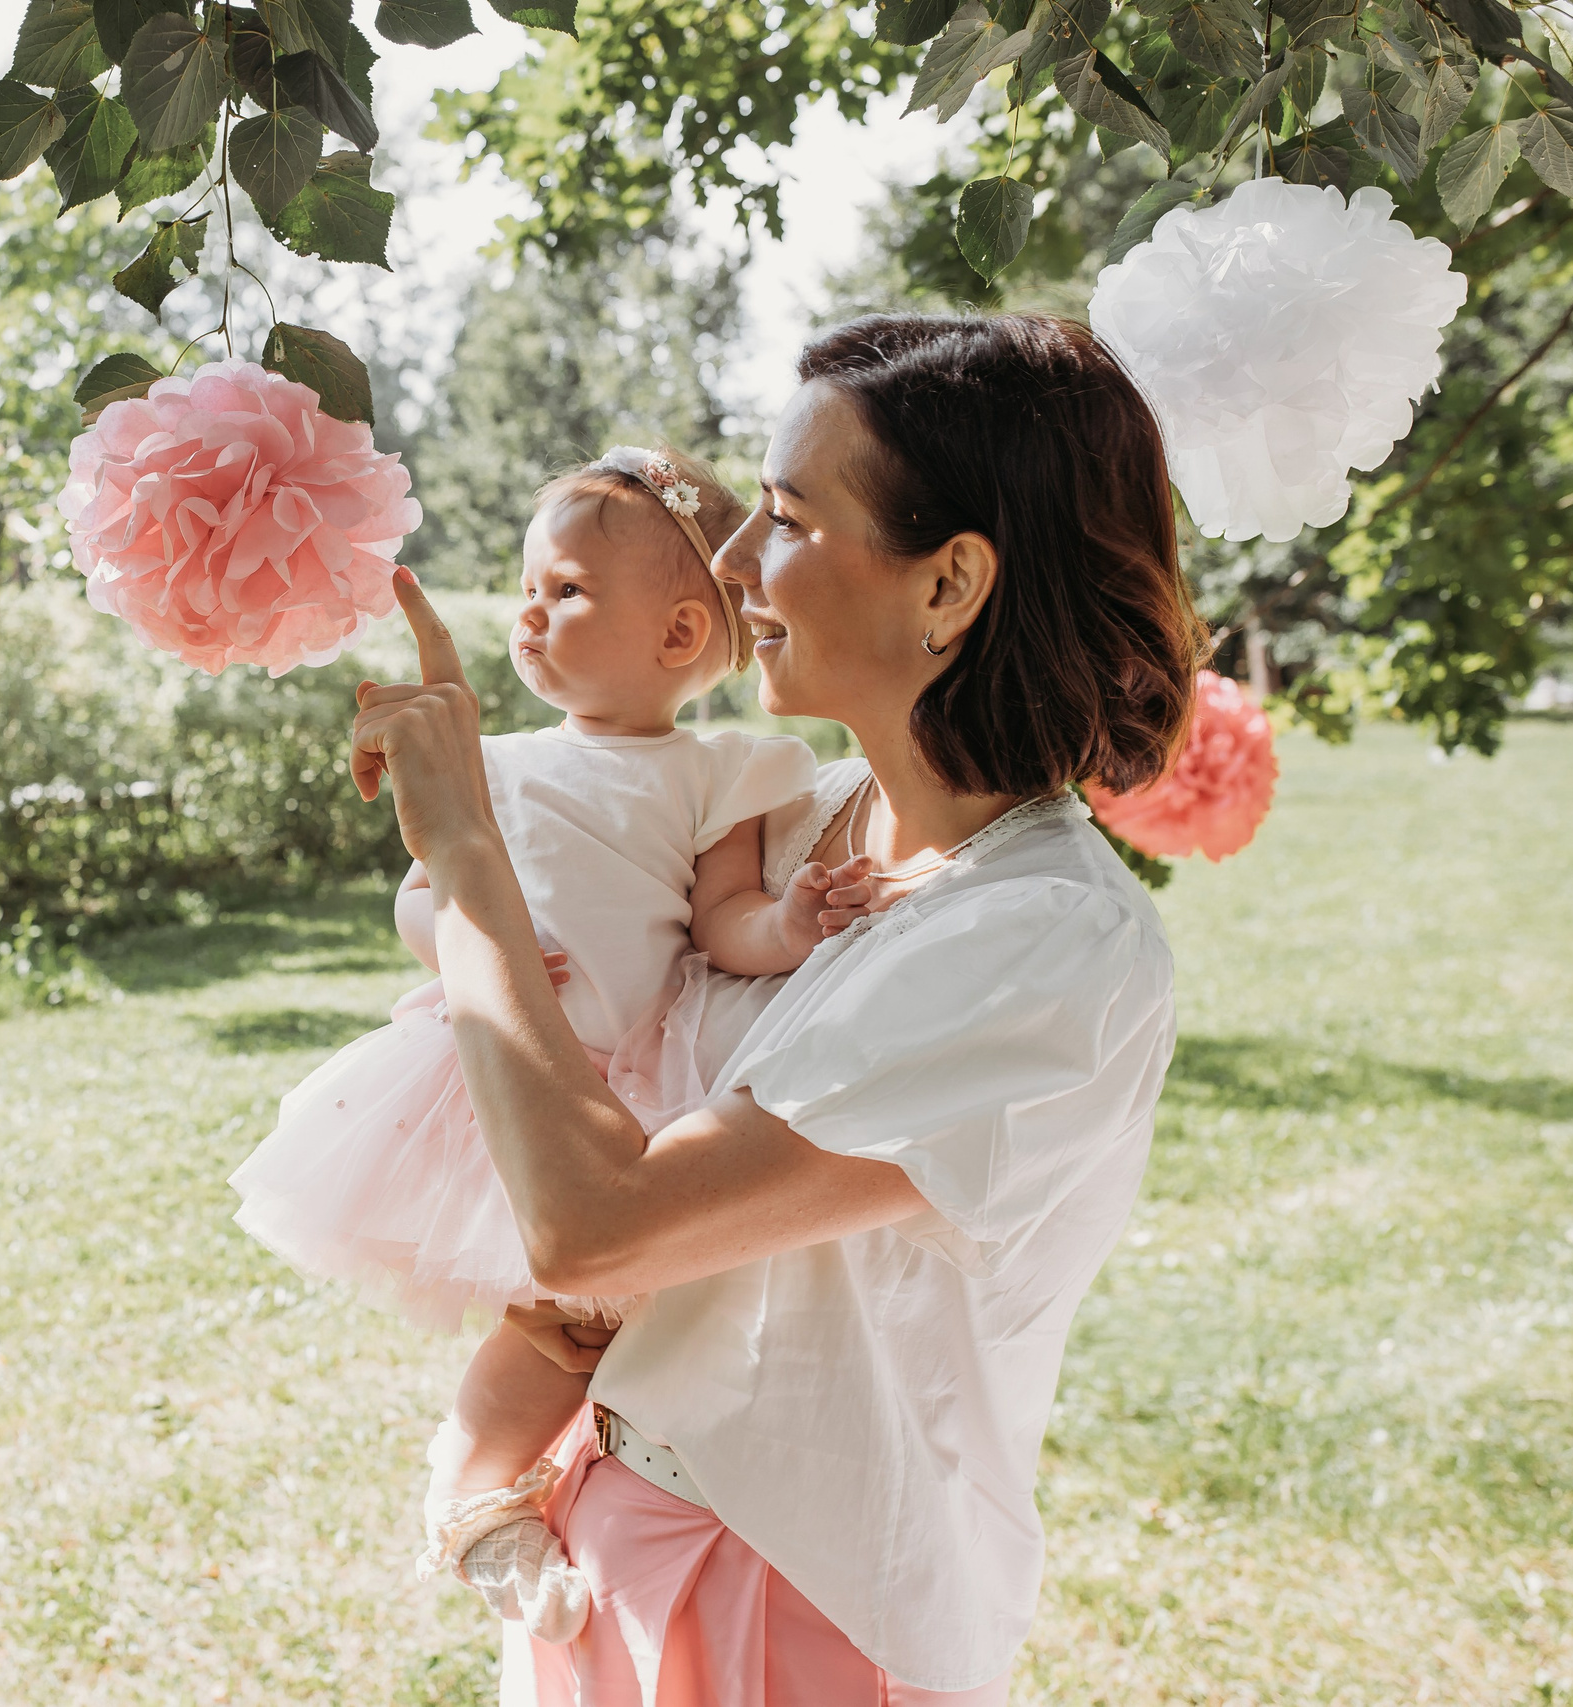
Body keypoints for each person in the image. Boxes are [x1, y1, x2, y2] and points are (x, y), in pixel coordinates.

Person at [349, 314, 1206, 1703]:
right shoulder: (798, 829)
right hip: (609, 1525)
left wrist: (469, 861)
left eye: (790, 517)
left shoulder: (1043, 940)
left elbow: (598, 1218)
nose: (738, 561)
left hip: (801, 1596)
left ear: (951, 585)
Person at [229, 447, 872, 1639]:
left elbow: (720, 921)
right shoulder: (491, 766)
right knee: (552, 1317)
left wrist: (786, 923)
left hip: (629, 1075)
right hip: (498, 1067)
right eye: (528, 588)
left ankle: (557, 1476)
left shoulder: (719, 771)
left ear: (681, 636)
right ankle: (471, 1490)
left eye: (566, 591)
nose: (528, 613)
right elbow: (420, 898)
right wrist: (471, 939)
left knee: (612, 1316)